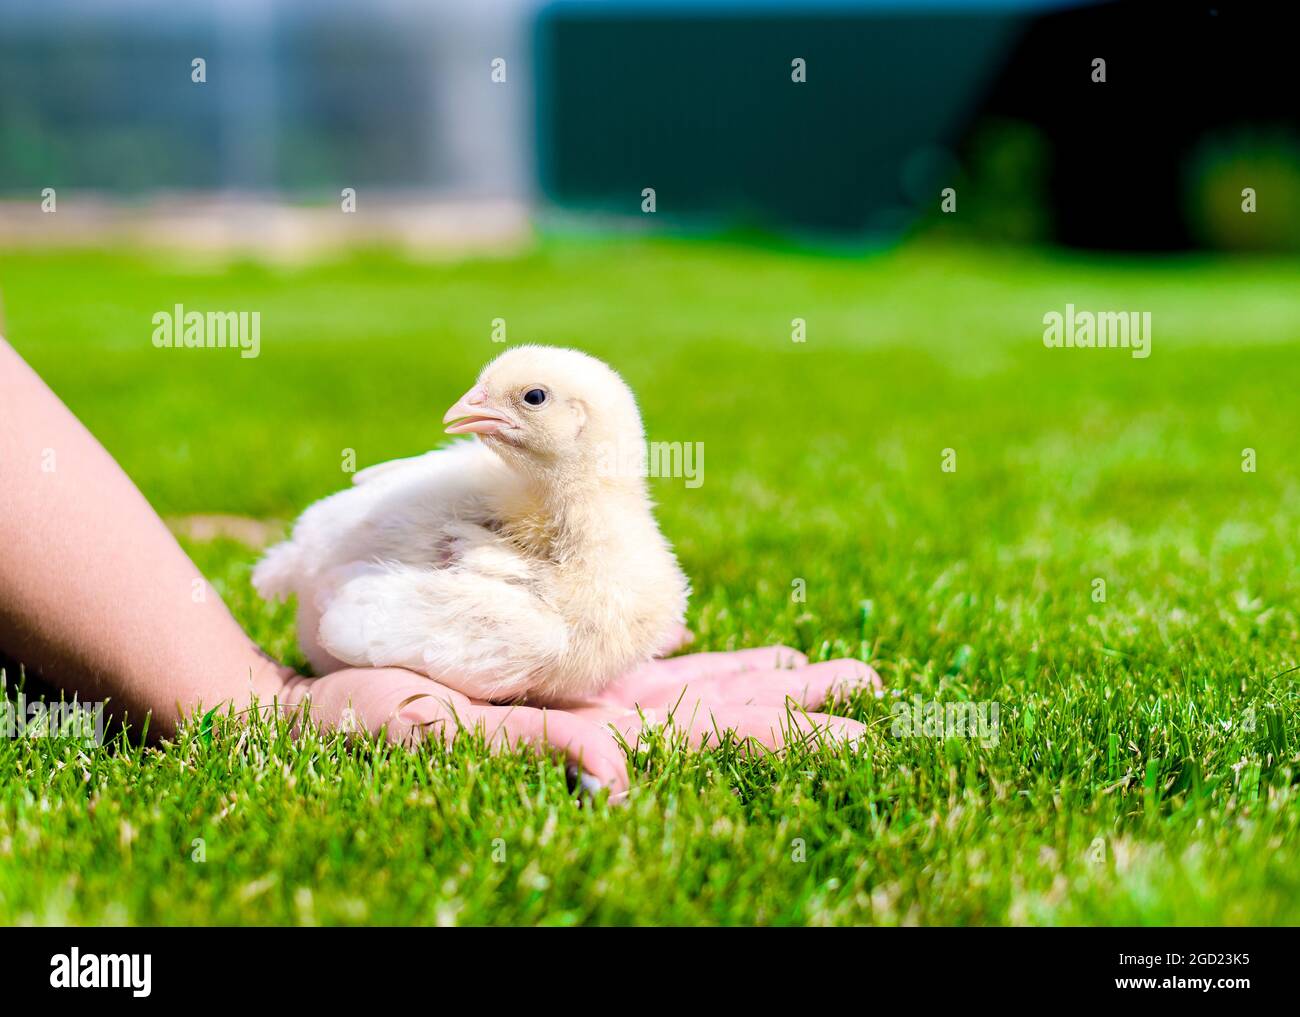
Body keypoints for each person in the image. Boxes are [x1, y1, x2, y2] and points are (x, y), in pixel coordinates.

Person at [0, 337, 876, 796]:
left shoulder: (625, 578)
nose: (470, 411)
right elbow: (348, 619)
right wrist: (269, 704)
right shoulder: (520, 603)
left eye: (524, 399)